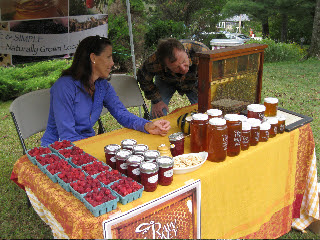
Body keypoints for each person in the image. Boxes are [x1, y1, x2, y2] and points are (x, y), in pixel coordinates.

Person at [41, 35, 171, 146]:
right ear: (93, 58)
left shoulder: (102, 86)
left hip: (87, 144)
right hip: (57, 151)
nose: (112, 63)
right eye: (108, 57)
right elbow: (67, 136)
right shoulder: (64, 87)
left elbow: (121, 113)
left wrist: (147, 125)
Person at [137, 38, 210, 119]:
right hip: (166, 81)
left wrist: (203, 93)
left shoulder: (202, 52)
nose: (183, 69)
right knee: (157, 116)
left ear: (185, 52)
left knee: (205, 112)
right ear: (165, 65)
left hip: (194, 81)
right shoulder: (154, 62)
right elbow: (143, 78)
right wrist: (156, 100)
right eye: (176, 67)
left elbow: (214, 76)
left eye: (183, 62)